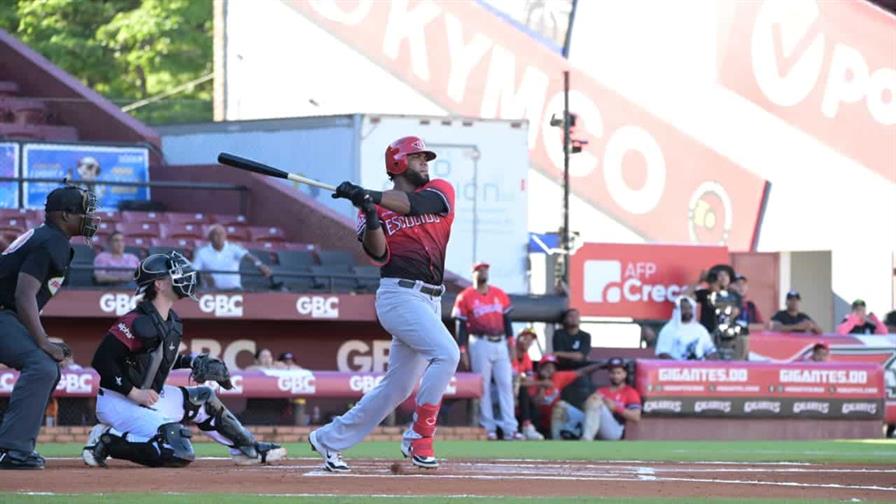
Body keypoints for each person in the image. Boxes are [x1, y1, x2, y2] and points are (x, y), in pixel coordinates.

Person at [309, 136, 458, 471]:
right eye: (417, 157)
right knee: (447, 354)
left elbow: (417, 206)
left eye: (425, 157)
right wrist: (369, 211)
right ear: (397, 164)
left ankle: (328, 439)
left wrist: (369, 196)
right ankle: (420, 436)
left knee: (397, 387)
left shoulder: (440, 190)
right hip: (399, 295)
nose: (424, 163)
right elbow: (377, 253)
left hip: (431, 298)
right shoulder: (373, 208)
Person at [80, 251, 286, 468]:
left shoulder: (171, 321)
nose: (185, 278)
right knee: (177, 450)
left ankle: (247, 449)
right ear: (159, 284)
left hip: (150, 397)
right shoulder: (136, 321)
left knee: (204, 397)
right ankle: (105, 440)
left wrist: (190, 362)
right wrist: (134, 392)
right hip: (119, 402)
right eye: (175, 274)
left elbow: (154, 359)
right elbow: (102, 360)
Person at [0, 185, 98, 469]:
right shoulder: (52, 241)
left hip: (8, 315)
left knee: (46, 367)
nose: (90, 218)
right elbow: (24, 294)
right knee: (42, 365)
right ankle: (12, 450)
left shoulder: (50, 237)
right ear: (65, 215)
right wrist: (43, 341)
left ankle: (14, 445)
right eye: (84, 212)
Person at [452, 262, 520, 441]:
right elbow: (460, 325)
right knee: (483, 386)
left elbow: (507, 321)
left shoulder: (499, 293)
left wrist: (511, 344)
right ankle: (488, 427)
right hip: (479, 342)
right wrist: (463, 350)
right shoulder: (465, 296)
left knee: (506, 384)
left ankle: (510, 428)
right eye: (479, 270)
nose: (483, 272)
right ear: (473, 273)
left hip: (500, 343)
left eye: (485, 269)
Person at [520, 354, 602, 440]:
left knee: (560, 405)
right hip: (536, 422)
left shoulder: (558, 377)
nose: (549, 369)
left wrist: (600, 365)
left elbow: (580, 372)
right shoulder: (532, 379)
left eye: (552, 367)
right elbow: (535, 404)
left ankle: (559, 440)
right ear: (540, 367)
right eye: (547, 366)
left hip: (555, 420)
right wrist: (542, 385)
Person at [191, 224, 271, 290]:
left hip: (234, 290)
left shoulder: (233, 248)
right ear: (210, 237)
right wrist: (204, 276)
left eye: (222, 234)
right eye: (216, 234)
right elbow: (194, 270)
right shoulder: (202, 252)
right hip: (212, 291)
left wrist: (259, 264)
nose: (219, 237)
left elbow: (247, 256)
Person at [582, 358, 641, 441]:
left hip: (615, 430)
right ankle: (559, 441)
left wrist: (616, 408)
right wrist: (589, 401)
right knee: (562, 406)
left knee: (596, 401)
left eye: (618, 373)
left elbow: (636, 417)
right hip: (596, 426)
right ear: (609, 374)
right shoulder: (601, 391)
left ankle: (586, 439)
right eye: (613, 373)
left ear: (625, 374)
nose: (615, 376)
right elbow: (586, 409)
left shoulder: (630, 392)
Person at [552, 308, 593, 408]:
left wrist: (563, 354)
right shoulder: (559, 334)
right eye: (571, 316)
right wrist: (574, 355)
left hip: (580, 371)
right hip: (563, 370)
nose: (574, 318)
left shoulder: (585, 336)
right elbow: (556, 354)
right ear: (565, 320)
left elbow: (580, 356)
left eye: (576, 316)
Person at [655, 296, 719, 360]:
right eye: (684, 308)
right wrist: (680, 366)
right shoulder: (668, 329)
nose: (687, 311)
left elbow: (711, 351)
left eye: (690, 308)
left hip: (699, 368)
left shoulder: (701, 329)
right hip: (676, 368)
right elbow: (663, 354)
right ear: (678, 310)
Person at [511, 329, 543, 440]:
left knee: (529, 399)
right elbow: (516, 377)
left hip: (516, 390)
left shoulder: (526, 357)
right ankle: (525, 426)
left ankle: (527, 427)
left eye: (531, 340)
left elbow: (529, 380)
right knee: (522, 390)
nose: (528, 342)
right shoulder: (510, 351)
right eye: (526, 338)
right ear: (519, 338)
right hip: (500, 388)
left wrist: (523, 379)